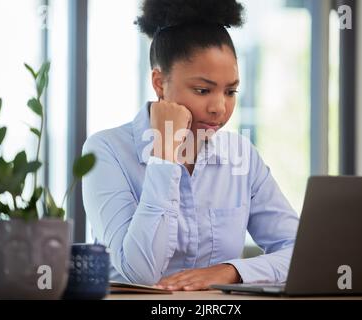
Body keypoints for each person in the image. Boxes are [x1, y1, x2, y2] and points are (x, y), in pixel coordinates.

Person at [82, 0, 299, 291]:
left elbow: (300, 251)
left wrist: (229, 272)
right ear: (159, 83)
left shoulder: (241, 155)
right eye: (203, 90)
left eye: (231, 91)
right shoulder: (106, 151)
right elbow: (140, 273)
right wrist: (164, 155)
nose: (219, 108)